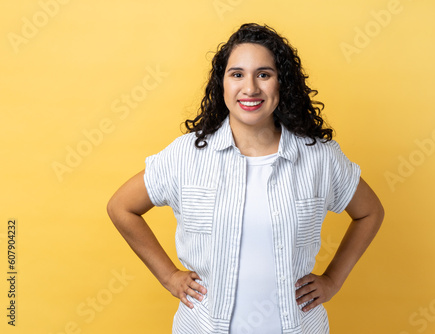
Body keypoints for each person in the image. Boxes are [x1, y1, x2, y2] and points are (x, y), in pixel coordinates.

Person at [107, 23, 384, 334]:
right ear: (221, 85)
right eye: (237, 74)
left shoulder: (319, 157)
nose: (250, 88)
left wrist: (333, 280)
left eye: (263, 74)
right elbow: (121, 207)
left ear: (282, 84)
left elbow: (370, 212)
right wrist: (169, 276)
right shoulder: (186, 155)